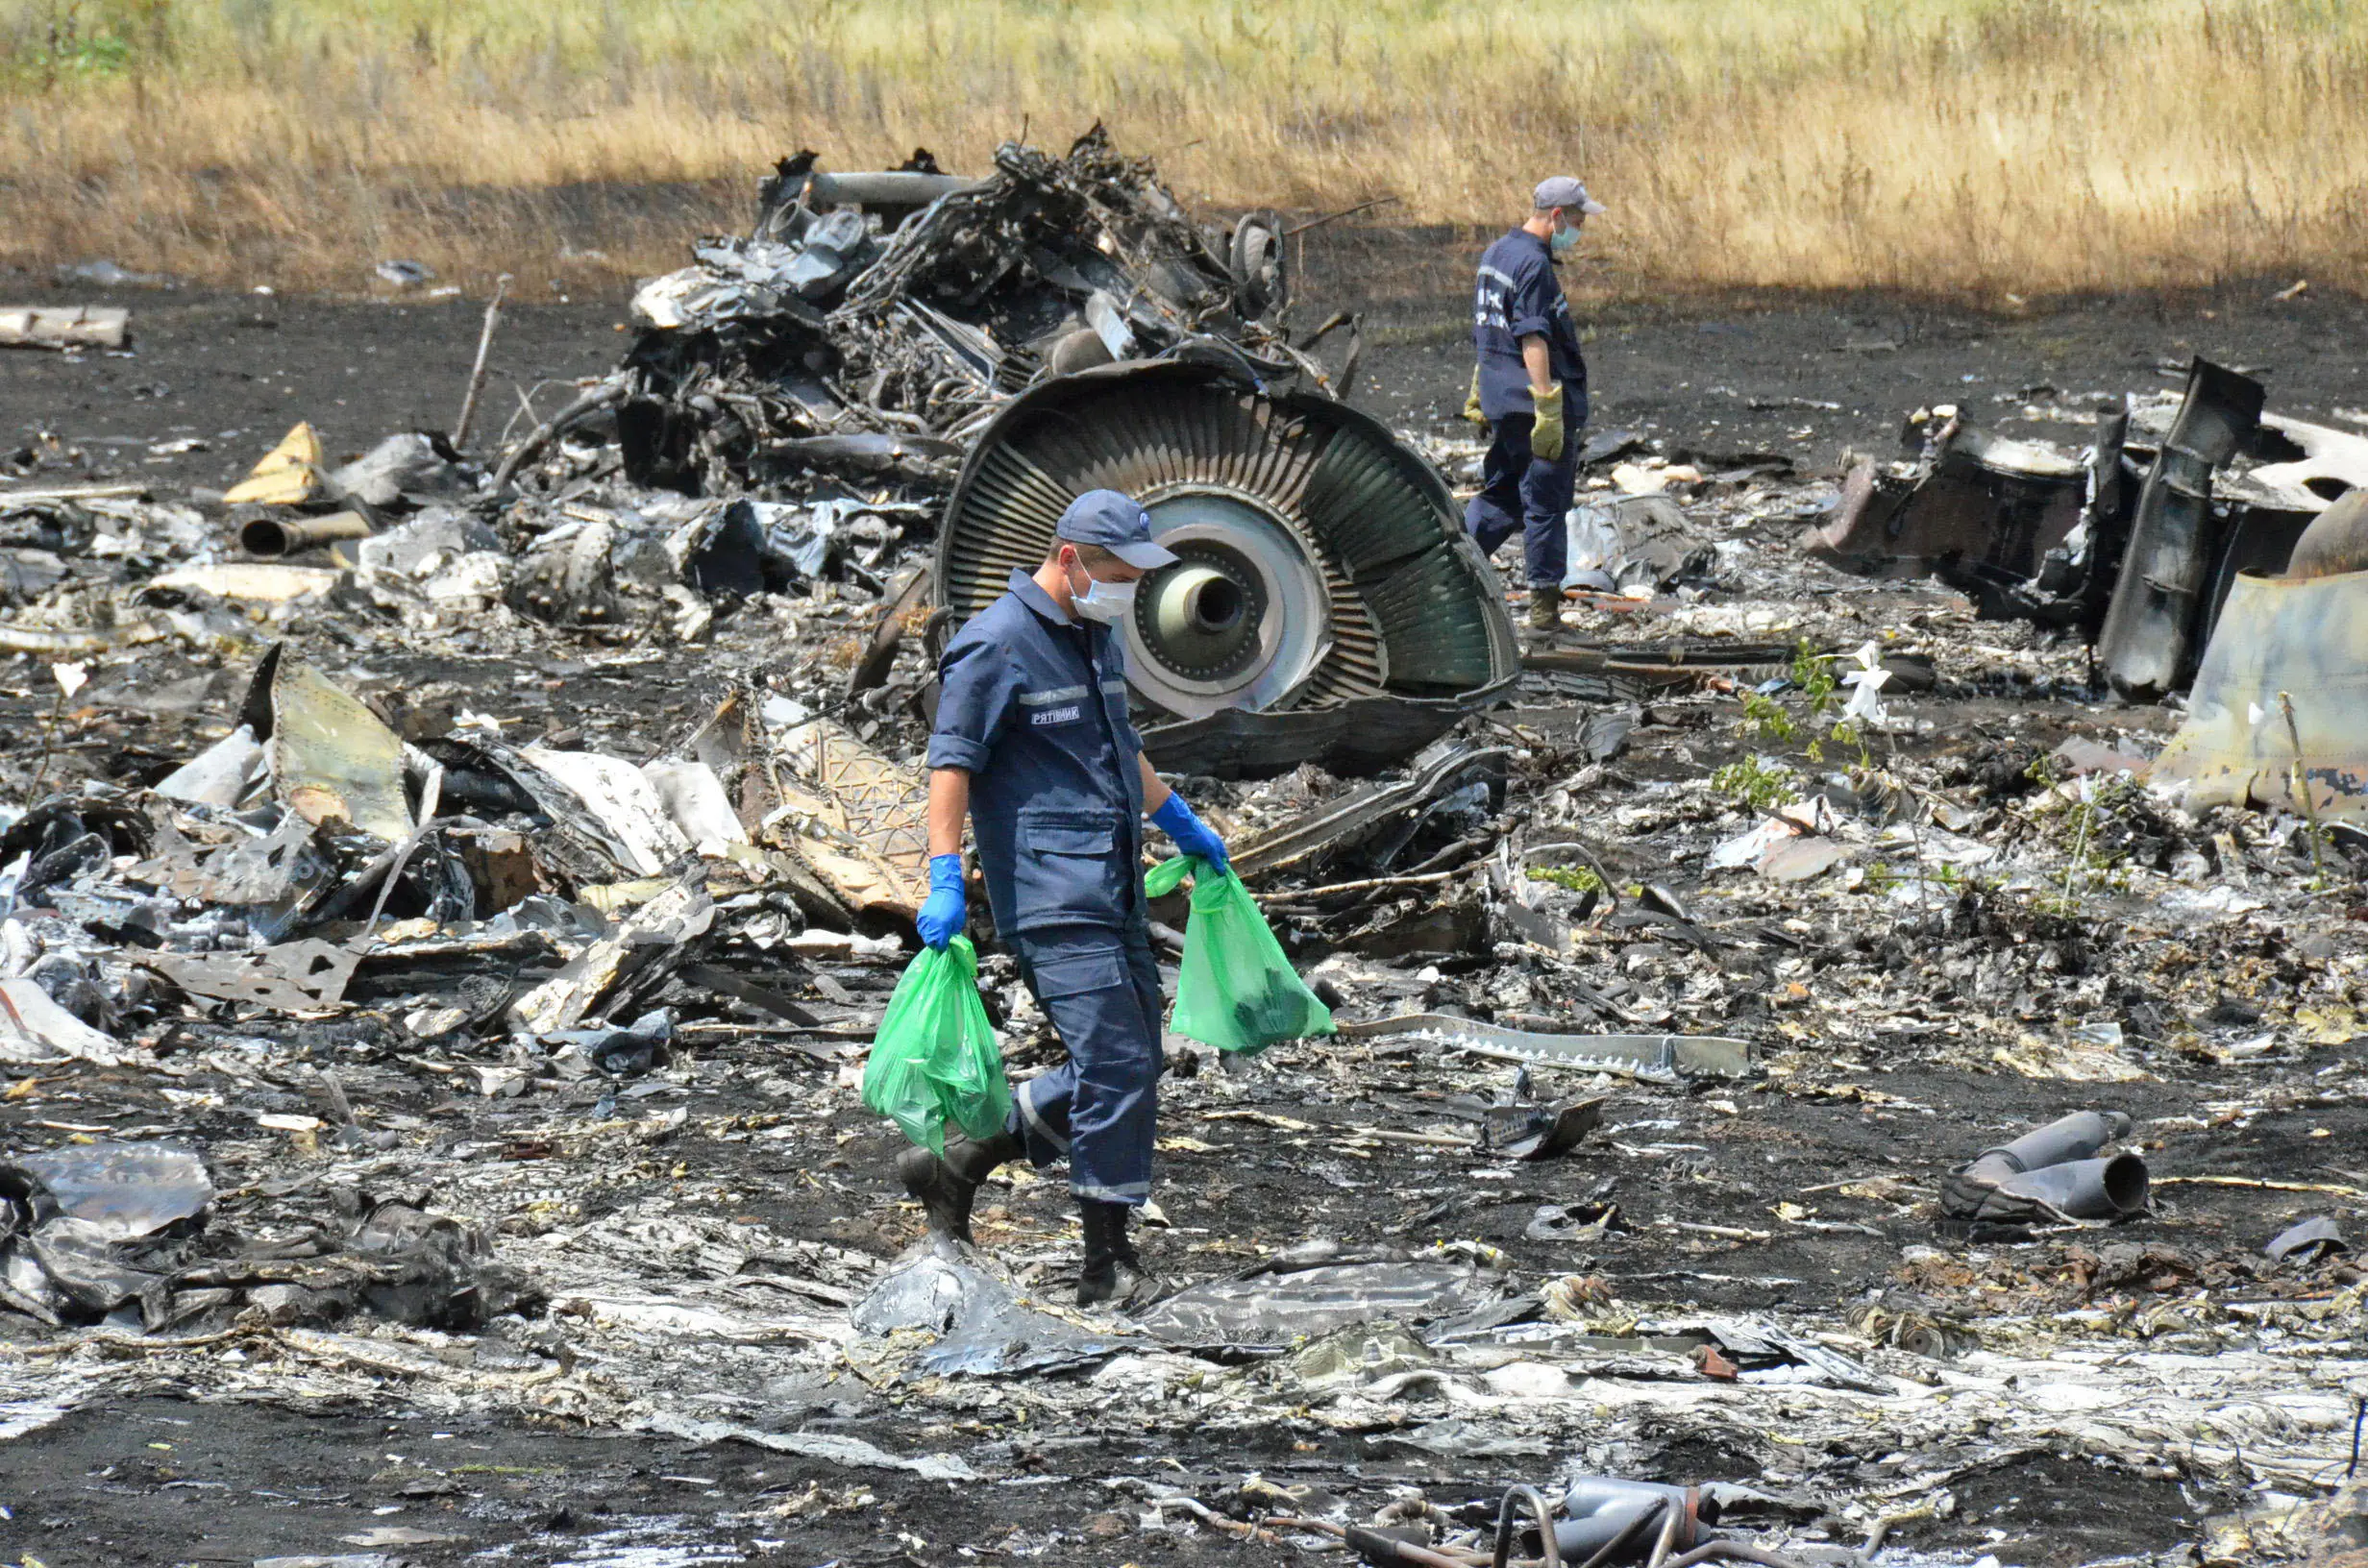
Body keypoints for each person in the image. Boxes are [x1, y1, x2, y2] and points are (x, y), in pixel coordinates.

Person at [900, 488, 1232, 1309]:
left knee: (1132, 1060)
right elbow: (951, 768)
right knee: (1118, 1061)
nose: (1129, 588)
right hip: (1049, 888)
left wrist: (1180, 820)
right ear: (1073, 559)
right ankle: (1105, 1264)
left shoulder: (1093, 635)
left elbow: (1122, 748)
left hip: (1113, 881)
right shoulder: (994, 646)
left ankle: (963, 1156)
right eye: (1119, 572)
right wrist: (945, 876)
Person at [1465, 175, 1604, 633]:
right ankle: (1545, 617)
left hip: (1503, 401)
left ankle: (1446, 572)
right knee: (1545, 506)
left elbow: (1488, 328)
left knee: (1502, 497)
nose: (1581, 229)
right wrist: (1547, 406)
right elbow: (1531, 337)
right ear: (1557, 216)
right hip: (1532, 406)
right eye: (1579, 219)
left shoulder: (1495, 255)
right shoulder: (1533, 265)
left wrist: (1481, 388)